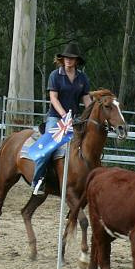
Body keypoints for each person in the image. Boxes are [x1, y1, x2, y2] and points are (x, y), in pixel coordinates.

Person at [31, 42, 92, 195]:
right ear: (62, 59)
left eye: (71, 58)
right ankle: (37, 180)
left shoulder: (82, 78)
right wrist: (65, 116)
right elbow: (53, 98)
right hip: (56, 117)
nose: (68, 60)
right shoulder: (55, 75)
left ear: (77, 60)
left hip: (75, 119)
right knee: (48, 148)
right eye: (66, 57)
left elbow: (86, 100)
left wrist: (91, 115)